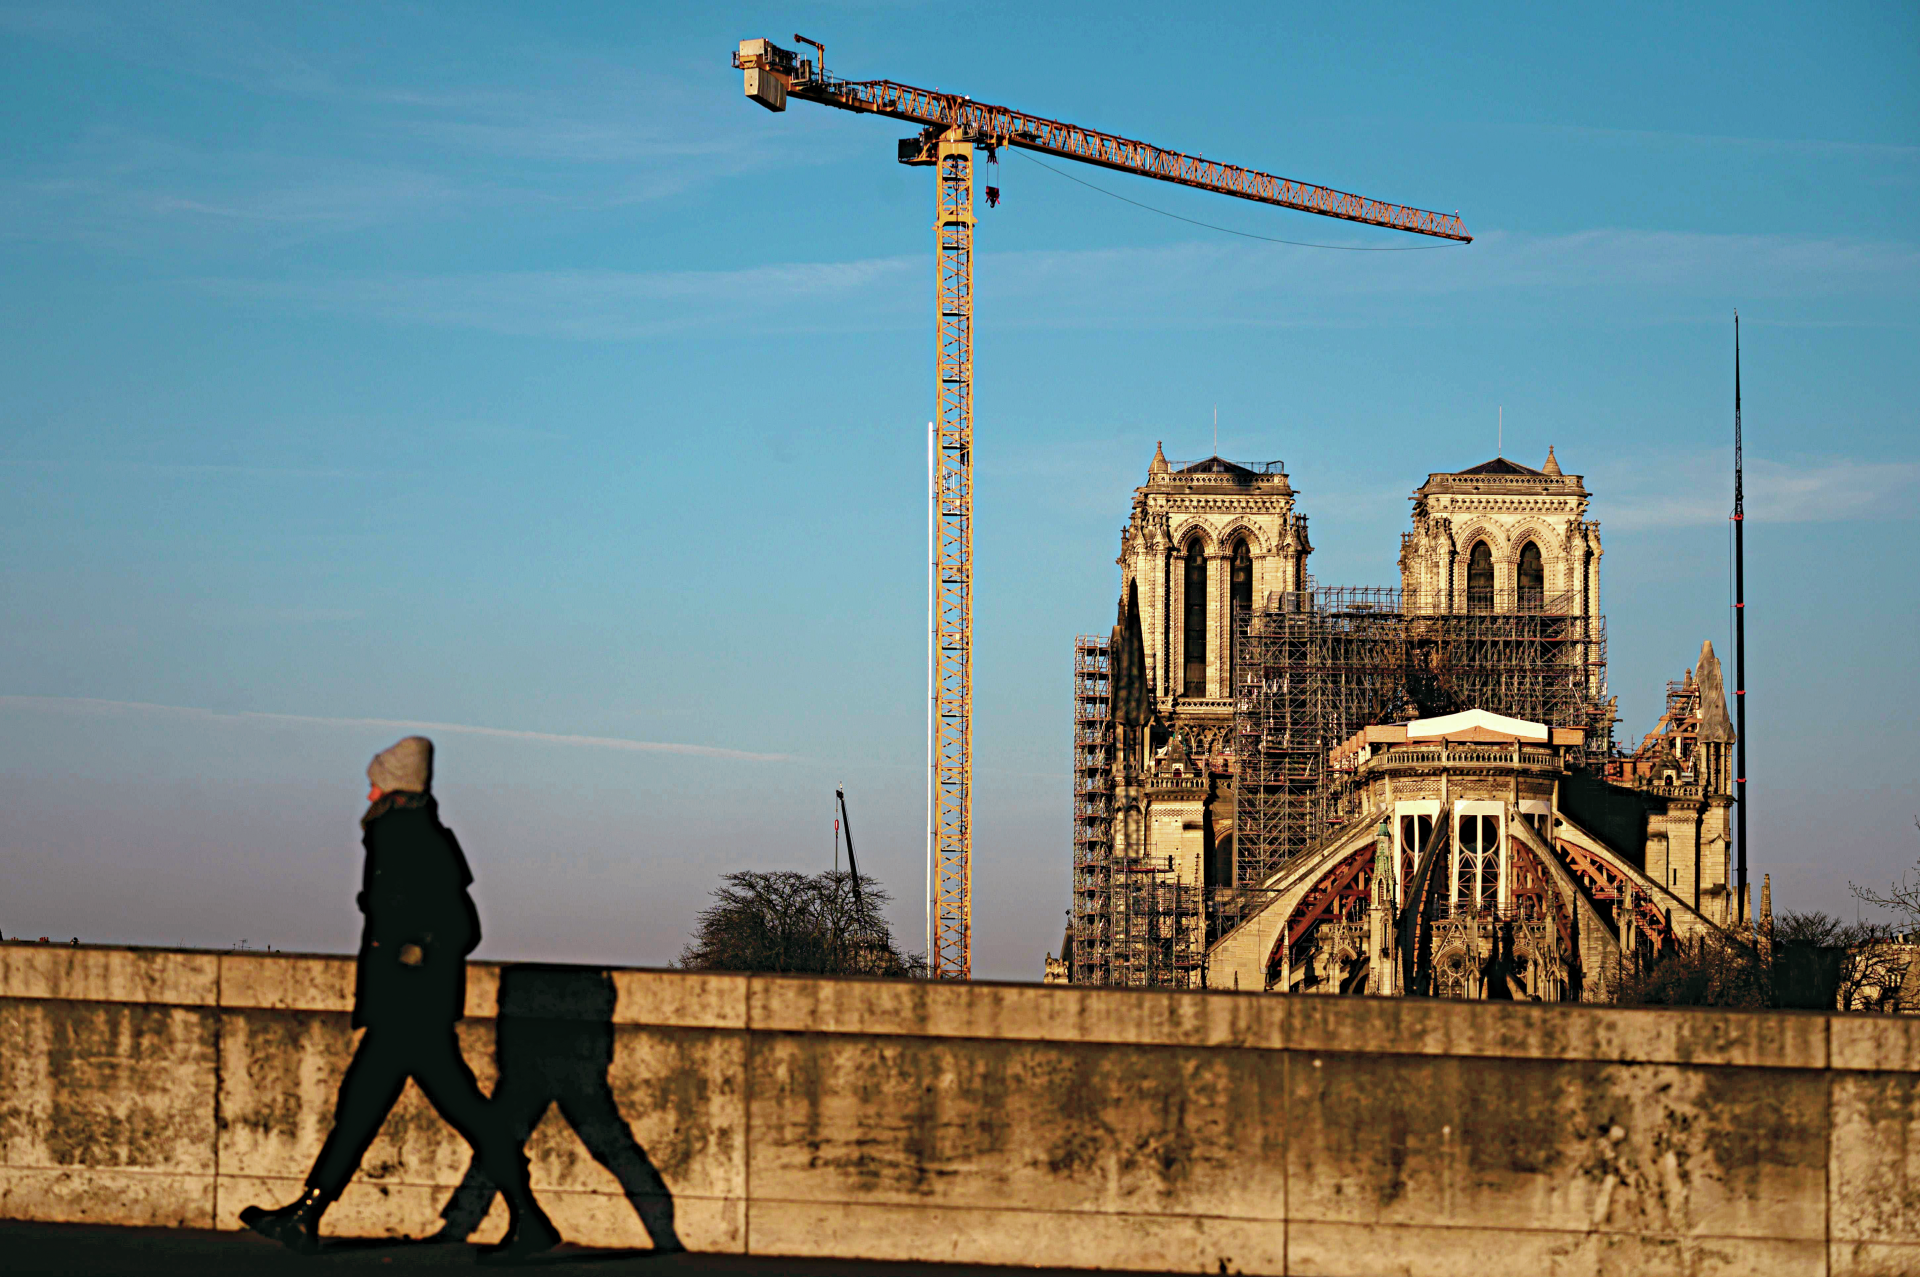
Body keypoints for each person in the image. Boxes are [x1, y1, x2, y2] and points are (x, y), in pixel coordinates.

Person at [240, 737, 559, 1261]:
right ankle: (307, 1213)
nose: (368, 794)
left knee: (410, 1111)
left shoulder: (401, 835)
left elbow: (446, 924)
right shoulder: (425, 836)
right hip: (413, 1004)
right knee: (367, 1108)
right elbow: (457, 924)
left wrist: (414, 952)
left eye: (376, 783)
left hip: (407, 1006)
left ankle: (528, 1219)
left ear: (393, 790)